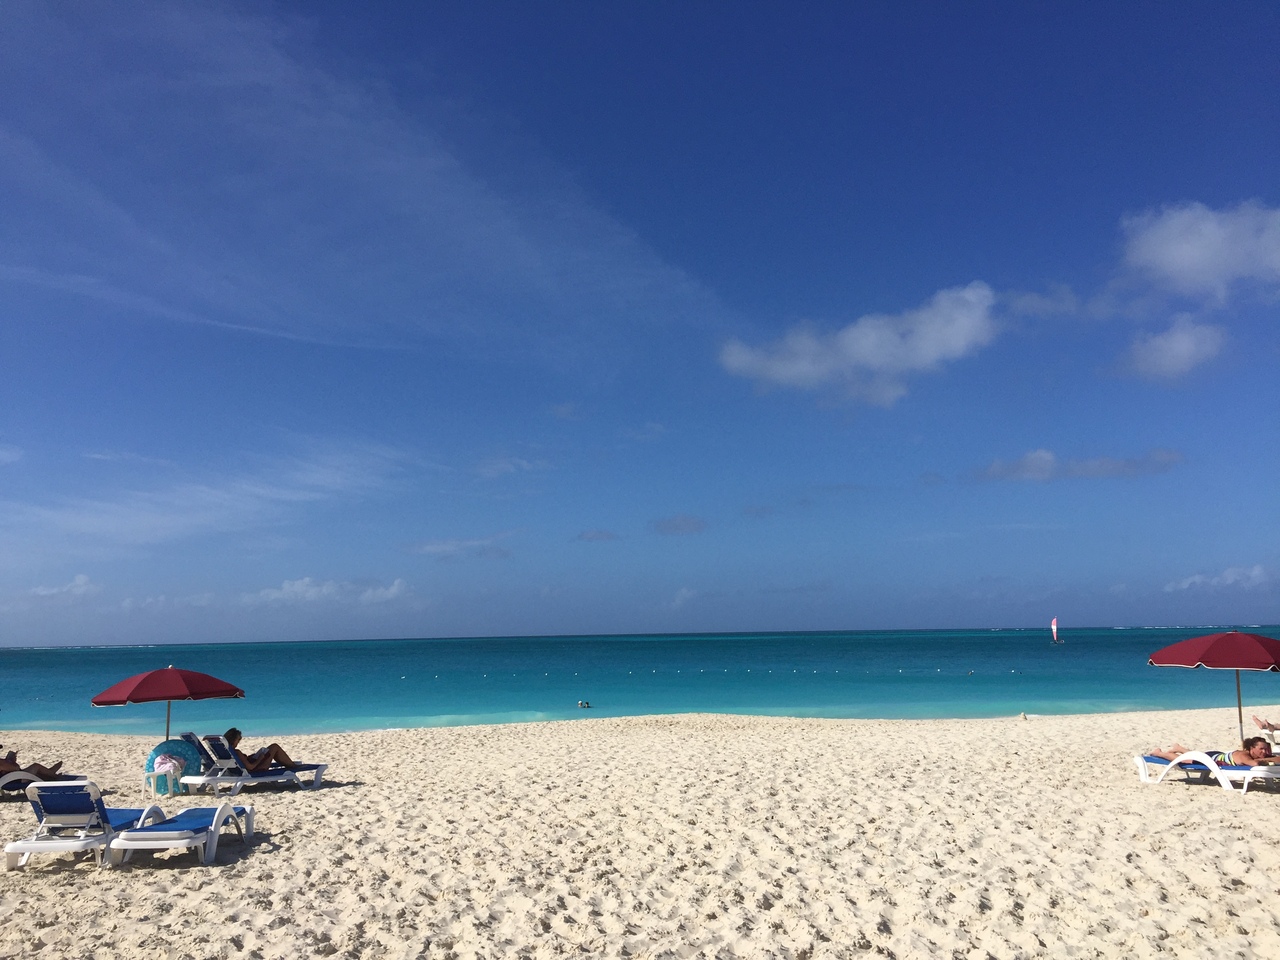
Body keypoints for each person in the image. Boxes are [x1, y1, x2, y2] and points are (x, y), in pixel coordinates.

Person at [1150, 737, 1275, 767]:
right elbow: (1256, 764)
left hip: (1217, 755)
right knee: (1182, 760)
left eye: (1265, 749)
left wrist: (1271, 758)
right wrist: (1269, 760)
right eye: (1261, 749)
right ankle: (1159, 753)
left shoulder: (1255, 755)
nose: (1264, 751)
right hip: (1210, 760)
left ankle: (1179, 748)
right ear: (1252, 749)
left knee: (1194, 756)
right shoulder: (1244, 756)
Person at [221, 728, 298, 772]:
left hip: (240, 770)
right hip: (256, 769)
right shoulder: (236, 752)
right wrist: (260, 758)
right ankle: (292, 766)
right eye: (238, 739)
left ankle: (290, 764)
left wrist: (251, 758)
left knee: (272, 749)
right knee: (274, 747)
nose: (238, 742)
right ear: (233, 739)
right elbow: (250, 767)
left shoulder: (225, 751)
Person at [0, 744, 65, 780]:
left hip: (13, 777)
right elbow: (15, 768)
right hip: (16, 778)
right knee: (36, 767)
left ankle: (50, 772)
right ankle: (55, 777)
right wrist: (11, 761)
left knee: (35, 770)